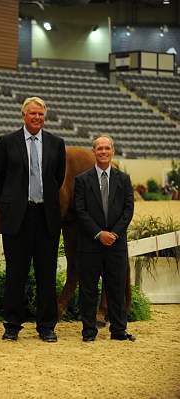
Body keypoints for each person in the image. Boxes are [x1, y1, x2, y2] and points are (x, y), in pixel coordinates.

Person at [0, 96, 66, 342]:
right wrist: (9, 206)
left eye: (41, 114)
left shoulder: (57, 144)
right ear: (23, 115)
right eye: (32, 113)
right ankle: (12, 325)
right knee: (16, 274)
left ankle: (46, 327)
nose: (37, 118)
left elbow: (59, 178)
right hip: (17, 219)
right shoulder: (6, 142)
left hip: (46, 218)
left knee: (47, 274)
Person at [74, 135, 135, 342]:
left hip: (116, 245)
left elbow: (128, 210)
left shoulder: (124, 179)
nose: (103, 151)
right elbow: (80, 211)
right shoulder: (82, 180)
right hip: (91, 244)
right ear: (94, 152)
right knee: (88, 289)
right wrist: (99, 233)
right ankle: (89, 331)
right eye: (99, 148)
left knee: (116, 288)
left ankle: (119, 331)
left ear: (112, 151)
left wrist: (114, 233)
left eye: (106, 148)